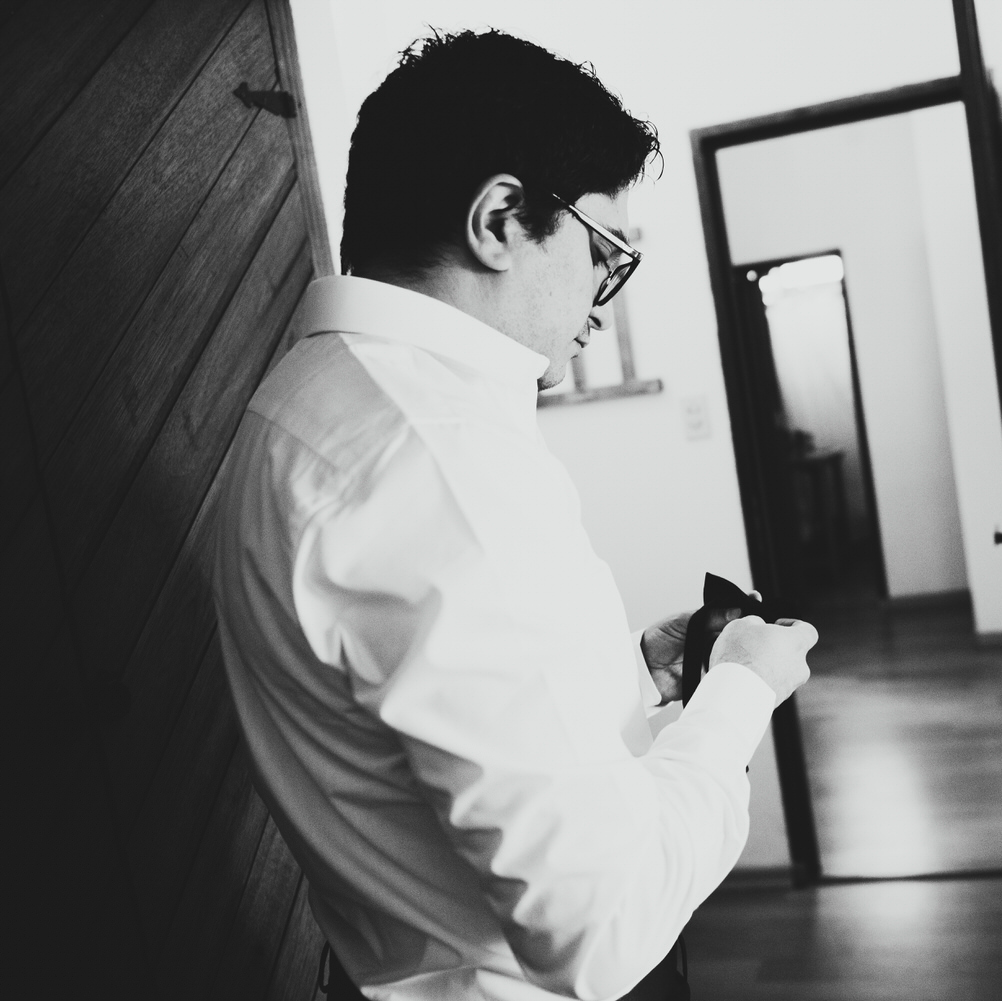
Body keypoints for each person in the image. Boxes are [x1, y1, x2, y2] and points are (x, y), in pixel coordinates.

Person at [212, 29, 817, 1001]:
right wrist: (741, 689)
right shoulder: (438, 461)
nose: (603, 303)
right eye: (605, 253)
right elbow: (602, 927)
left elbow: (415, 712)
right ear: (499, 219)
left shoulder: (308, 398)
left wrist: (621, 673)